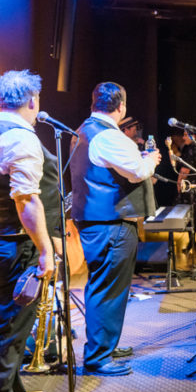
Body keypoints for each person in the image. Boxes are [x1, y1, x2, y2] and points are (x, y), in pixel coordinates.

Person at [0, 70, 57, 392]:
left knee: (13, 324)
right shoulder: (21, 138)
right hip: (15, 242)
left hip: (2, 237)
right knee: (10, 327)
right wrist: (45, 251)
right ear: (31, 100)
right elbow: (26, 201)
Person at [70, 82, 161, 376]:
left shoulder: (85, 129)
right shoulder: (109, 136)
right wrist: (151, 160)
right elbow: (137, 171)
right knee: (108, 289)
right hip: (111, 223)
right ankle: (98, 357)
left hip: (97, 221)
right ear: (121, 107)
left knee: (106, 286)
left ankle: (104, 346)